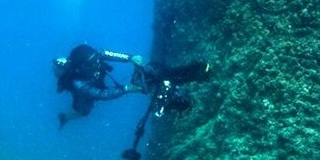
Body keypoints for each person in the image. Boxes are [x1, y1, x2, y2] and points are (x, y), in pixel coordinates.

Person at [54, 43, 211, 128]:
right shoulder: (79, 83)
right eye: (90, 65)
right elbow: (100, 94)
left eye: (96, 60)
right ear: (81, 68)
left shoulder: (94, 57)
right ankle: (65, 117)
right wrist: (126, 89)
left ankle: (194, 73)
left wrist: (130, 58)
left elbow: (108, 54)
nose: (96, 64)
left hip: (94, 81)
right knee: (84, 111)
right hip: (88, 90)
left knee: (153, 74)